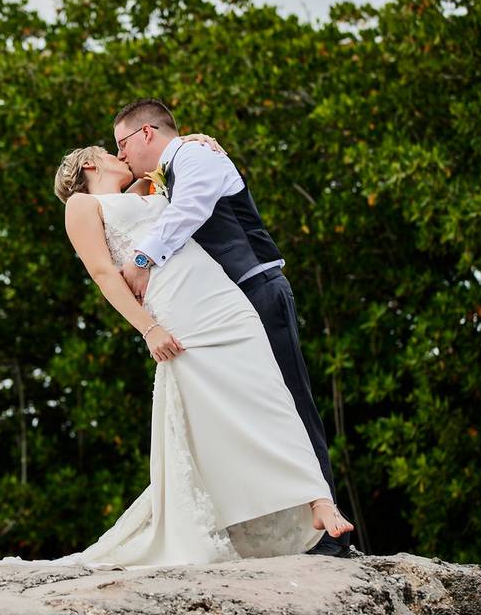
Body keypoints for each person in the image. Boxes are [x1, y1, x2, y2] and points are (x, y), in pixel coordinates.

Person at [0, 139, 353, 594]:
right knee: (208, 415)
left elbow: (188, 193)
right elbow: (105, 275)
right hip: (177, 309)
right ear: (89, 164)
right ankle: (248, 512)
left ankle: (316, 499)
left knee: (269, 389)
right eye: (111, 151)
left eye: (121, 145)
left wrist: (195, 140)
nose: (120, 154)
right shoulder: (82, 206)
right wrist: (148, 329)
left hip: (218, 294)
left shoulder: (148, 189)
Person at [113, 98, 354, 557]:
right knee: (248, 415)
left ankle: (329, 534)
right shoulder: (169, 173)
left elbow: (192, 210)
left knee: (291, 402)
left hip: (258, 290)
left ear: (147, 134)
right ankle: (282, 531)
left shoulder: (196, 156)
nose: (121, 155)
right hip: (224, 313)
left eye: (122, 143)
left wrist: (143, 259)